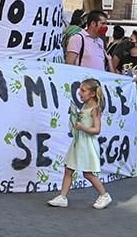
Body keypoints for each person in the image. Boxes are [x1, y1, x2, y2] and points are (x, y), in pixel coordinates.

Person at [47, 78, 113, 209]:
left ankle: (104, 195)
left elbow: (97, 129)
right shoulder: (85, 106)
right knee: (68, 169)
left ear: (92, 93)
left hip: (87, 144)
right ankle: (63, 197)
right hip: (79, 142)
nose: (79, 93)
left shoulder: (95, 109)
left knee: (87, 173)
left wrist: (82, 127)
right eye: (80, 90)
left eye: (83, 90)